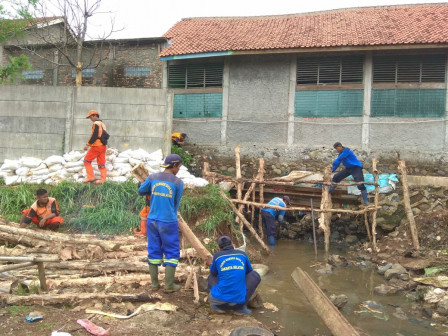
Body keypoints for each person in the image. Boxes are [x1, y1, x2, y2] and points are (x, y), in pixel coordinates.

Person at [138, 154, 184, 292]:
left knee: (153, 249)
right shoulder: (178, 183)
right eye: (179, 167)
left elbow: (141, 191)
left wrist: (144, 185)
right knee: (172, 251)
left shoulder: (152, 177)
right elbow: (176, 204)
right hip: (168, 221)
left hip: (152, 219)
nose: (179, 170)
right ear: (174, 165)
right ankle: (169, 285)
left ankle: (154, 284)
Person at [208, 236, 261, 315]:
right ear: (232, 243)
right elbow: (249, 271)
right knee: (255, 275)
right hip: (238, 300)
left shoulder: (217, 256)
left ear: (219, 247)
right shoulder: (242, 254)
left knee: (211, 276)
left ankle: (218, 305)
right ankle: (239, 307)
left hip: (220, 301)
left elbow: (213, 273)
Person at [83, 110, 108, 184]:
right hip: (103, 146)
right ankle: (103, 180)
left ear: (94, 115)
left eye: (91, 117)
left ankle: (90, 177)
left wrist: (87, 144)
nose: (90, 119)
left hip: (96, 146)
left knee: (86, 161)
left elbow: (94, 135)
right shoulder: (102, 124)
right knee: (101, 164)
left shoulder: (96, 123)